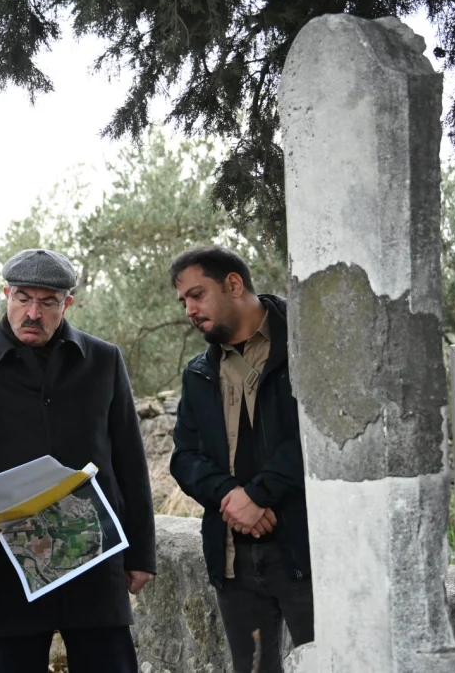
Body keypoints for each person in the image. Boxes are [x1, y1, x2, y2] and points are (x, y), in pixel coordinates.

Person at [0, 248, 156, 673]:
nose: (32, 312)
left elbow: (130, 459)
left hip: (96, 564)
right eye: (23, 298)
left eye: (47, 302)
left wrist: (141, 554)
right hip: (7, 570)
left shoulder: (104, 361)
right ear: (6, 295)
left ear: (67, 304)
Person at [167, 245, 313, 673]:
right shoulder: (199, 371)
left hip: (304, 553)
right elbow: (184, 457)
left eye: (198, 294)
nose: (190, 310)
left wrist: (260, 494)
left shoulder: (304, 345)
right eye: (184, 302)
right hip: (234, 559)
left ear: (234, 283)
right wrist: (232, 497)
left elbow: (317, 435)